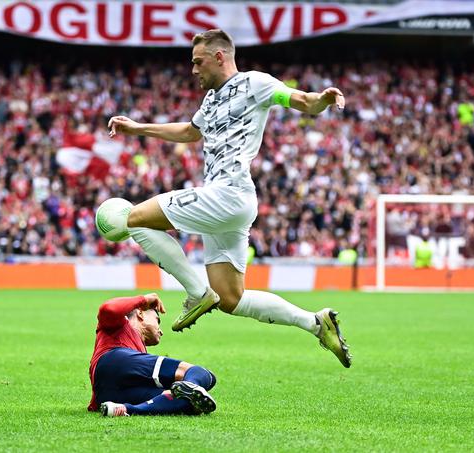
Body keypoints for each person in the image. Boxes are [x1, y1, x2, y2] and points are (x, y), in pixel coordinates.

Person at [103, 29, 351, 367]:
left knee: (134, 218)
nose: (193, 69)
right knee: (231, 299)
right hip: (227, 202)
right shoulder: (211, 100)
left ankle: (195, 291)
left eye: (197, 61)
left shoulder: (256, 84)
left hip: (228, 192)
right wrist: (138, 128)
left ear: (220, 57)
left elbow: (302, 101)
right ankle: (315, 322)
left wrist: (323, 98)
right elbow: (191, 132)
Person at [88, 293, 217, 416]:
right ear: (140, 313)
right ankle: (191, 385)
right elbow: (109, 308)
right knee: (204, 374)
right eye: (158, 320)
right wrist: (144, 300)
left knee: (188, 402)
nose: (161, 331)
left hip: (106, 395)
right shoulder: (119, 325)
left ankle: (126, 410)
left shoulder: (137, 350)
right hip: (113, 359)